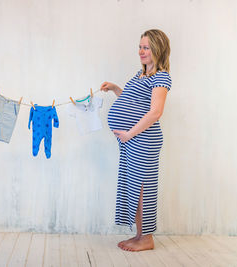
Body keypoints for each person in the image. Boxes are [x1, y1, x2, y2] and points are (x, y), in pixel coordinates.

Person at [101, 29, 171, 252]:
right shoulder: (140, 75)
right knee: (135, 187)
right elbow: (131, 102)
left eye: (146, 47)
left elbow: (155, 112)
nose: (141, 51)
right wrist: (115, 89)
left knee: (143, 188)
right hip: (132, 140)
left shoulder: (161, 77)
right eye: (140, 47)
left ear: (157, 49)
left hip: (144, 139)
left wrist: (130, 133)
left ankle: (146, 238)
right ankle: (139, 235)